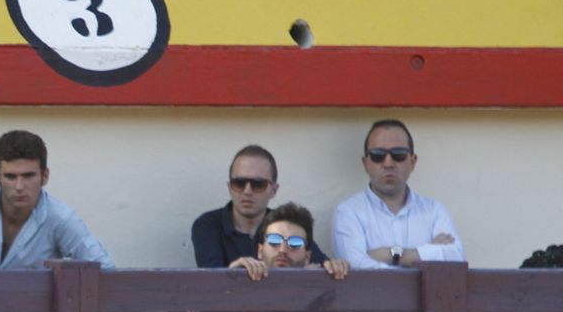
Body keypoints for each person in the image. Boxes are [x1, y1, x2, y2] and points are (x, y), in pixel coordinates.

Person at [0, 130, 113, 269]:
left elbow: (104, 270)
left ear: (45, 176)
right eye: (10, 176)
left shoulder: (60, 217)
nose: (19, 186)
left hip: (35, 306)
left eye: (28, 176)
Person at [331, 118, 464, 269]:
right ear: (365, 163)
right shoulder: (348, 213)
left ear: (413, 162)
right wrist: (428, 254)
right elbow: (356, 268)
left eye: (398, 154)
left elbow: (456, 258)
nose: (388, 163)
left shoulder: (435, 211)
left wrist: (393, 254)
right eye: (377, 155)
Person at [191, 145, 328, 268]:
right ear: (229, 187)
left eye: (258, 184)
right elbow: (212, 284)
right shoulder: (208, 225)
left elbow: (322, 268)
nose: (247, 191)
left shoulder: (286, 225)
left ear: (274, 190)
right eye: (239, 183)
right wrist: (235, 271)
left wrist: (333, 268)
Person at [228, 203, 349, 281]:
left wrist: (339, 272)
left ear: (308, 257)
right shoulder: (241, 274)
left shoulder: (319, 286)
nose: (282, 250)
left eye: (295, 243)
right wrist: (232, 273)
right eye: (274, 240)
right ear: (260, 250)